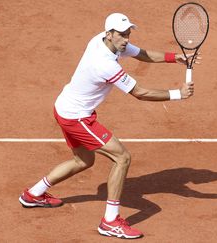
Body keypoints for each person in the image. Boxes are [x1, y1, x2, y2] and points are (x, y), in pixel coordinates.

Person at [18, 12, 197, 239]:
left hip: (64, 106)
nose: (126, 39)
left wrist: (174, 57)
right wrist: (178, 94)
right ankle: (110, 221)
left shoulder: (102, 41)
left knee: (83, 160)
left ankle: (34, 194)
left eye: (128, 34)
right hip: (77, 117)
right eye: (122, 35)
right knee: (122, 158)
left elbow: (141, 54)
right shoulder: (104, 64)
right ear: (109, 34)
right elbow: (140, 93)